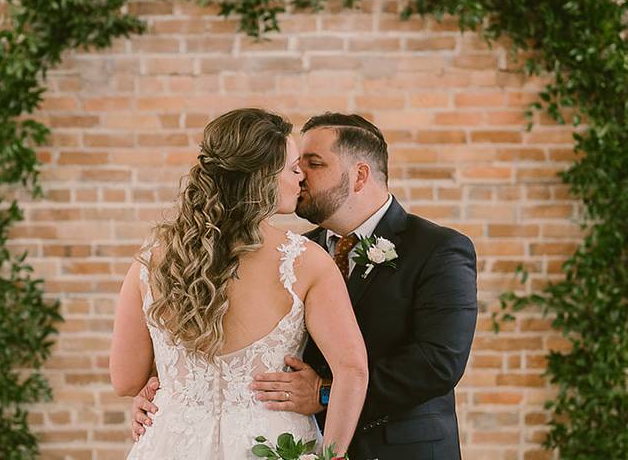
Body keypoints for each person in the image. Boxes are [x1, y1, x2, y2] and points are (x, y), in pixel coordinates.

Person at [131, 112, 478, 460]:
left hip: (400, 450)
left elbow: (438, 362)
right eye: (296, 164)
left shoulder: (438, 248)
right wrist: (164, 392)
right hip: (290, 444)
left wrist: (324, 393)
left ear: (359, 176)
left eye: (314, 163)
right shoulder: (294, 253)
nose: (300, 175)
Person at [110, 108, 368, 460]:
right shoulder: (306, 262)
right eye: (293, 169)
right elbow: (352, 370)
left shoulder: (152, 262)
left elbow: (125, 380)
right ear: (263, 179)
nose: (300, 179)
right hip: (271, 445)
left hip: (172, 444)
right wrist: (332, 456)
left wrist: (173, 384)